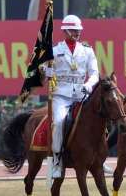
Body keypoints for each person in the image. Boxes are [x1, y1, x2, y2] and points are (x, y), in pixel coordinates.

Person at [40, 15, 100, 178]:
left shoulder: (87, 50)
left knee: (101, 117)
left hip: (82, 94)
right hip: (62, 95)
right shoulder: (54, 50)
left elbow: (95, 73)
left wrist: (89, 85)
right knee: (59, 121)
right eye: (73, 30)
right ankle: (58, 160)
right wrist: (47, 72)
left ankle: (99, 157)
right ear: (65, 31)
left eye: (78, 30)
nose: (77, 33)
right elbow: (42, 78)